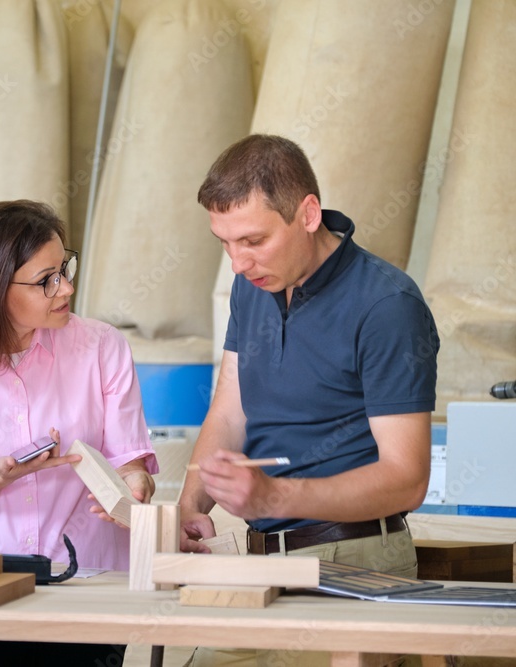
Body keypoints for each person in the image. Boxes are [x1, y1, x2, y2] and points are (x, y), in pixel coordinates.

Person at [177, 134, 438, 664]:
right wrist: (191, 499)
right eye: (224, 243)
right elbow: (230, 409)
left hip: (356, 559)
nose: (238, 263)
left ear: (309, 214)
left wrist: (274, 498)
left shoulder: (387, 304)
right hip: (260, 562)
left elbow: (407, 479)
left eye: (253, 240)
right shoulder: (253, 289)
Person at [0, 199, 157, 666]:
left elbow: (132, 465)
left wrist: (134, 489)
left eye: (64, 268)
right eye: (46, 280)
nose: (67, 288)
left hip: (87, 592)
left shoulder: (102, 347)